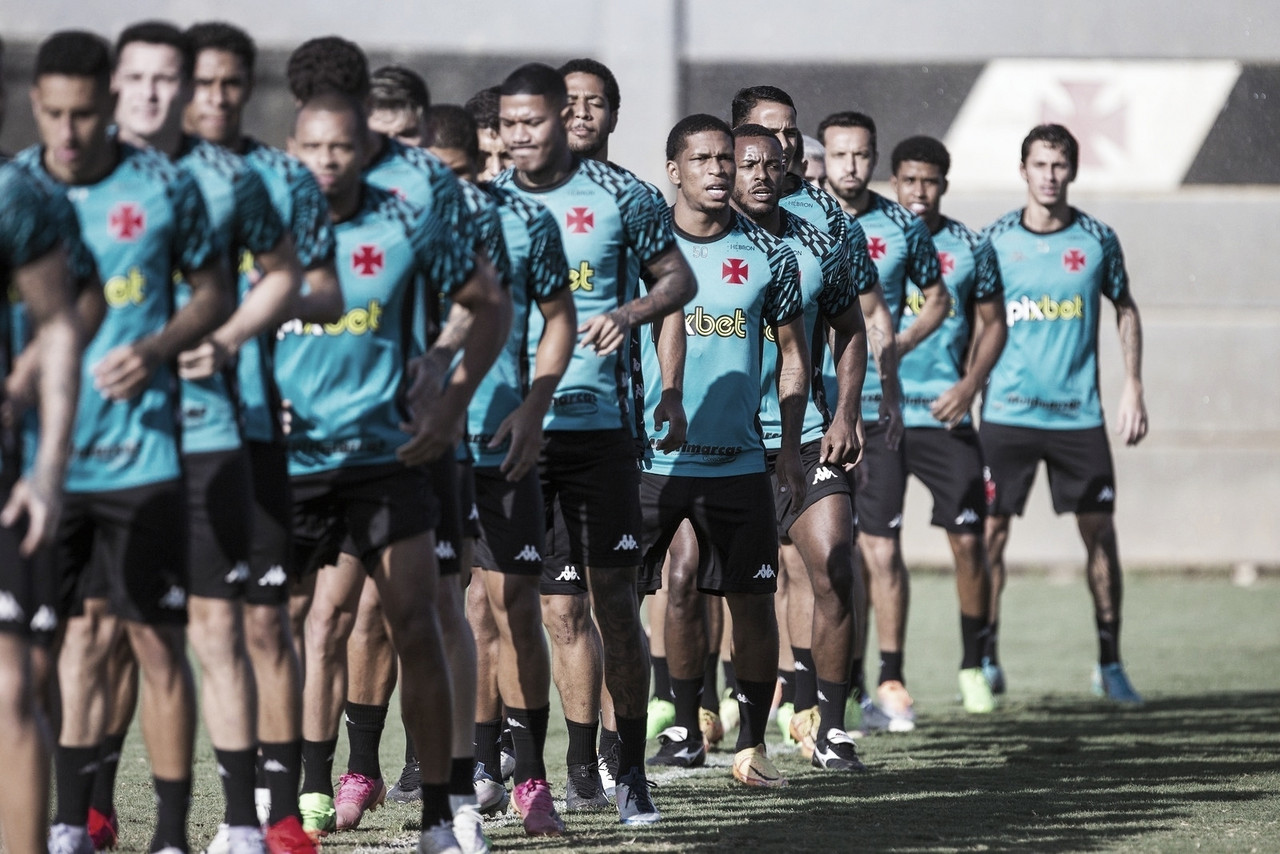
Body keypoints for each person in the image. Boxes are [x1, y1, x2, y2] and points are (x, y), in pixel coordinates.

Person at [19, 28, 232, 854]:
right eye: (55, 114)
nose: (70, 132)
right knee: (49, 651)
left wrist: (156, 349)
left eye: (85, 112)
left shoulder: (165, 186)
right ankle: (65, 822)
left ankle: (172, 834)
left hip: (144, 457)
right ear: (37, 106)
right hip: (41, 468)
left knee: (153, 641)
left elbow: (212, 293)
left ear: (104, 104)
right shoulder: (11, 190)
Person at [281, 90, 508, 854]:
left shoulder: (410, 218)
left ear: (367, 150)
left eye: (343, 147)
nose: (328, 162)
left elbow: (489, 305)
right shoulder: (262, 220)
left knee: (421, 619)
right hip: (293, 463)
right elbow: (220, 310)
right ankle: (273, 811)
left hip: (390, 459)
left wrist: (448, 408)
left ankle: (446, 813)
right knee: (275, 627)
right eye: (313, 147)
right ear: (293, 145)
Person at [492, 62, 696, 826]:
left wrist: (633, 310)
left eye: (582, 105)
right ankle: (550, 773)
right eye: (554, 107)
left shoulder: (627, 197)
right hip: (509, 437)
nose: (564, 118)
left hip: (602, 432)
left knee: (613, 603)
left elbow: (678, 282)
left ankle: (630, 772)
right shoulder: (485, 205)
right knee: (528, 606)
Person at [182, 21, 345, 852]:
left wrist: (247, 314)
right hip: (140, 438)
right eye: (201, 82)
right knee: (123, 631)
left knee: (262, 624)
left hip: (250, 430)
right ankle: (92, 812)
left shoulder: (281, 176)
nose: (215, 97)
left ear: (249, 88)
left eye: (229, 83)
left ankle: (272, 819)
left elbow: (321, 291)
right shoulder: (136, 175)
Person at [731, 86, 897, 744]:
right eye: (764, 140)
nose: (781, 149)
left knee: (830, 564)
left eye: (789, 137)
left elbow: (855, 320)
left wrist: (849, 412)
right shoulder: (690, 231)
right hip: (724, 444)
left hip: (805, 435)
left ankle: (825, 722)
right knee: (705, 585)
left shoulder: (822, 225)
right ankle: (685, 715)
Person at [980, 123, 1147, 704]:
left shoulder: (1098, 239)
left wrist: (1134, 388)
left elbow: (1125, 309)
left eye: (1059, 165)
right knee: (989, 536)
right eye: (1040, 164)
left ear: (1072, 171)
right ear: (1022, 170)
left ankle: (1110, 661)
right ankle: (984, 656)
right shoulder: (995, 239)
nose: (1049, 175)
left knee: (1100, 536)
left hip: (1078, 417)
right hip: (1006, 413)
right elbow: (974, 320)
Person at [818, 110, 949, 730]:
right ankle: (827, 690)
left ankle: (890, 679)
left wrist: (895, 354)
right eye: (839, 154)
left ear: (875, 159)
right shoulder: (804, 219)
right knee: (820, 558)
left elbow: (937, 297)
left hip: (873, 414)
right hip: (809, 413)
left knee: (880, 548)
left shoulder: (901, 226)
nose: (849, 165)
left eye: (860, 155)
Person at [888, 135, 1007, 714]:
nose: (918, 191)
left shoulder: (970, 245)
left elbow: (994, 326)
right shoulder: (869, 237)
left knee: (968, 542)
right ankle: (881, 679)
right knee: (870, 553)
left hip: (944, 417)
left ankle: (973, 664)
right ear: (895, 182)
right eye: (909, 180)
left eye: (929, 181)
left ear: (944, 185)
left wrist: (968, 387)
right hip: (878, 418)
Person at [0, 159, 84, 854]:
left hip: (8, 481)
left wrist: (48, 468)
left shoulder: (17, 199)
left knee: (12, 685)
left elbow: (61, 325)